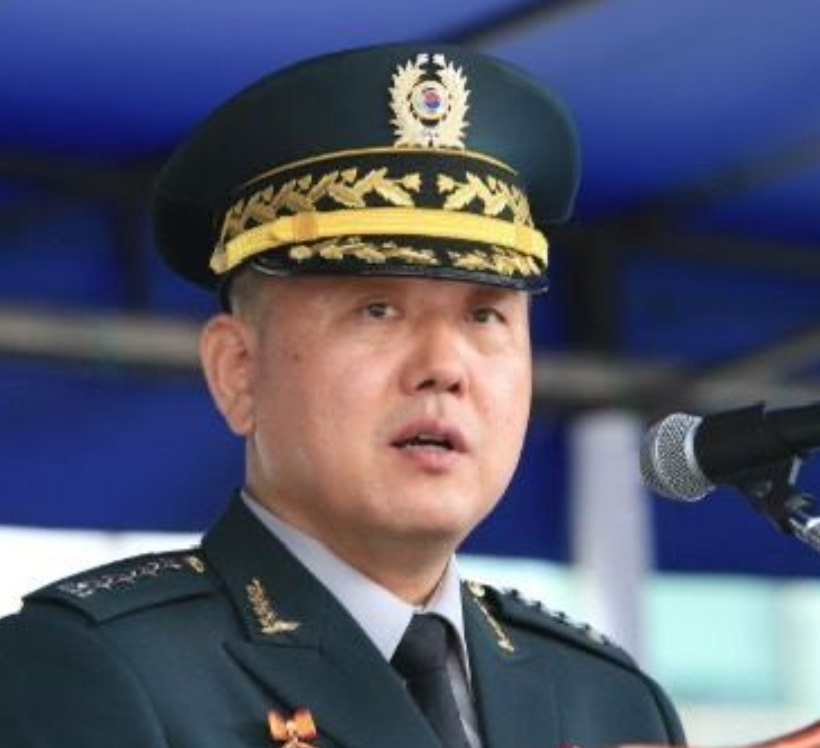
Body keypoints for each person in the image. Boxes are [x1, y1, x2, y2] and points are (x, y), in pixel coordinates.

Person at [0, 43, 685, 747]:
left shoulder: (610, 699)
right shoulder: (88, 669)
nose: (444, 367)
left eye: (485, 316)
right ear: (238, 370)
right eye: (376, 310)